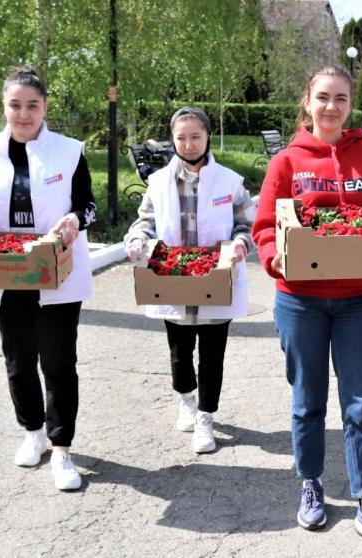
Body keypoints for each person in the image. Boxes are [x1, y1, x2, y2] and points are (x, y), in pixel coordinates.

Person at [251, 65, 362, 552]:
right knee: (307, 401)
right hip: (299, 299)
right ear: (308, 102)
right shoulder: (286, 162)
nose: (331, 107)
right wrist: (272, 256)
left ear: (350, 105)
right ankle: (311, 482)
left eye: (340, 98)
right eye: (323, 97)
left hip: (360, 299)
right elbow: (265, 224)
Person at [0, 67, 97, 491]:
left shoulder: (68, 152)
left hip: (55, 268)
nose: (24, 114)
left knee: (58, 362)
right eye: (15, 105)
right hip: (3, 269)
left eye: (32, 105)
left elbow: (88, 206)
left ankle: (62, 448)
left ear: (45, 107)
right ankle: (33, 432)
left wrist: (72, 220)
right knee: (18, 361)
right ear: (4, 107)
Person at [123, 107, 253, 454]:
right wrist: (137, 240)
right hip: (173, 278)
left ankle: (206, 418)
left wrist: (241, 244)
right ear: (173, 140)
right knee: (180, 354)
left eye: (196, 136)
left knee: (212, 355)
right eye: (181, 137)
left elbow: (245, 224)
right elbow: (145, 221)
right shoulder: (159, 181)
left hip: (215, 276)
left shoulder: (229, 182)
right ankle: (186, 399)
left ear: (207, 136)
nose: (189, 144)